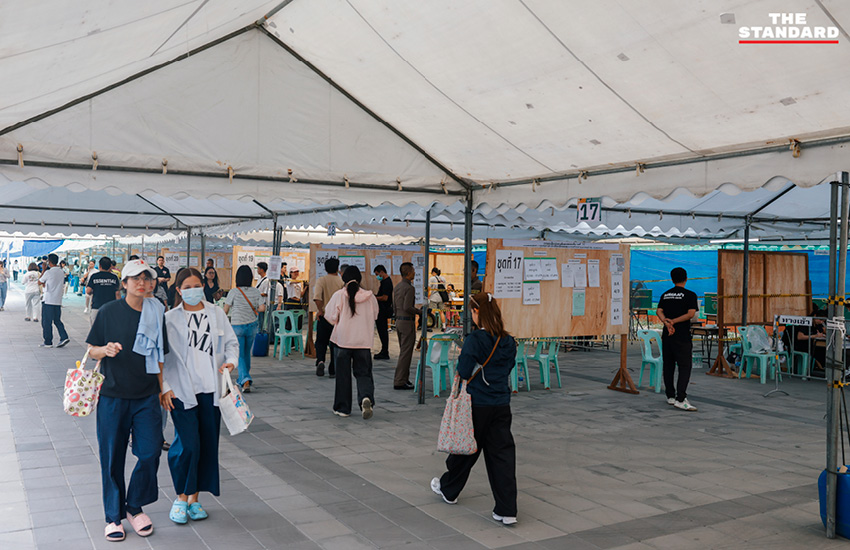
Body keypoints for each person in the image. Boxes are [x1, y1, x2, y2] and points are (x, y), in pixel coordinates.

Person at [86, 259, 168, 542]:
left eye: (147, 278)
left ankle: (134, 506)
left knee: (150, 452)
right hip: (113, 395)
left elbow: (159, 355)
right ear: (124, 283)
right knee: (112, 457)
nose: (142, 283)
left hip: (146, 395)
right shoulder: (108, 311)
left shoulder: (157, 312)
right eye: (136, 278)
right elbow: (92, 350)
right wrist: (105, 350)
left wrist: (163, 389)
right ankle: (113, 517)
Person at [430, 292, 518, 525]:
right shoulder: (508, 341)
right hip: (501, 404)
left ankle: (449, 489)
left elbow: (464, 370)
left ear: (477, 312)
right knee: (502, 457)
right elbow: (508, 367)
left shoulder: (475, 339)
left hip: (477, 403)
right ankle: (507, 510)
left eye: (472, 311)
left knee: (466, 449)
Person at [161, 268, 238, 525]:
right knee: (187, 445)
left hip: (211, 390)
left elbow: (231, 343)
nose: (193, 290)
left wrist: (231, 362)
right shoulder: (170, 318)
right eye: (188, 287)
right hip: (181, 391)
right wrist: (165, 387)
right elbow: (162, 357)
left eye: (197, 285)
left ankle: (194, 499)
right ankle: (180, 498)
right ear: (179, 290)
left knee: (206, 444)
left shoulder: (216, 314)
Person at [324, 266, 378, 419]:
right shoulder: (370, 297)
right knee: (364, 373)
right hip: (363, 342)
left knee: (343, 376)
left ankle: (343, 408)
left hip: (343, 341)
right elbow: (375, 315)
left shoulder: (339, 295)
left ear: (344, 279)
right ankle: (366, 397)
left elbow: (330, 316)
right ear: (359, 279)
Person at [656, 267, 699, 412]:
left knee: (668, 365)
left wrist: (666, 322)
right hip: (682, 336)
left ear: (672, 279)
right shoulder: (690, 295)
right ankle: (681, 398)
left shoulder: (666, 294)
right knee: (685, 366)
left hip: (667, 335)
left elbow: (659, 310)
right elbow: (691, 314)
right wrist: (674, 322)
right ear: (686, 278)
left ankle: (670, 396)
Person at [223, 265, 265, 394]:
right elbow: (262, 308)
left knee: (239, 354)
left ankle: (245, 379)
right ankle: (242, 378)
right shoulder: (255, 291)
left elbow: (225, 310)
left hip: (237, 326)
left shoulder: (234, 292)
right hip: (252, 325)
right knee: (246, 353)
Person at [313, 258, 344, 378]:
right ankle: (333, 368)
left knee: (321, 342)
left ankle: (320, 361)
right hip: (338, 318)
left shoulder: (321, 280)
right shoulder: (341, 282)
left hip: (324, 317)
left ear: (325, 268)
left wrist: (320, 310)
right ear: (337, 268)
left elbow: (317, 297)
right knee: (335, 344)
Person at [393, 262, 419, 390]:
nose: (414, 273)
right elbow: (407, 307)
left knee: (404, 351)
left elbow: (395, 306)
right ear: (408, 273)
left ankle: (404, 378)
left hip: (399, 321)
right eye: (413, 271)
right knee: (406, 353)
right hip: (407, 322)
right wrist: (420, 312)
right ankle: (400, 380)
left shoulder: (398, 286)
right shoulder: (409, 288)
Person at [38, 254, 70, 348]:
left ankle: (48, 342)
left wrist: (43, 270)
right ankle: (64, 337)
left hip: (48, 300)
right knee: (57, 320)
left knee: (46, 322)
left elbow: (39, 281)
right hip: (58, 300)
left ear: (49, 262)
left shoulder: (48, 272)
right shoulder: (61, 271)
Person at [87, 257, 122, 325]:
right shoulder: (114, 277)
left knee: (95, 328)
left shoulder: (94, 276)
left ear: (100, 266)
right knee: (110, 328)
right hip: (111, 307)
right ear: (110, 266)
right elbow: (117, 293)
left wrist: (95, 291)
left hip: (97, 306)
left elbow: (88, 291)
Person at [373, 265, 393, 360]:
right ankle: (384, 350)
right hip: (382, 309)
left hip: (383, 310)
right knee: (382, 331)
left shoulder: (386, 282)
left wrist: (374, 297)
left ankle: (385, 351)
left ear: (381, 272)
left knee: (383, 331)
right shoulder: (384, 282)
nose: (377, 276)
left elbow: (385, 298)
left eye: (377, 274)